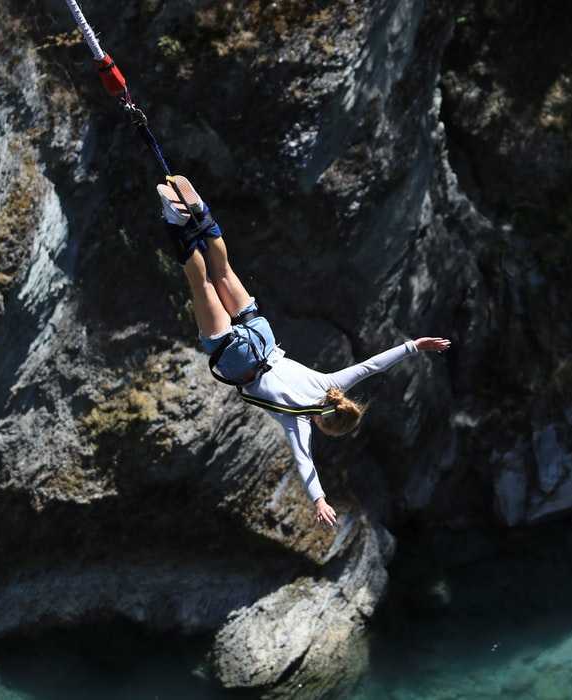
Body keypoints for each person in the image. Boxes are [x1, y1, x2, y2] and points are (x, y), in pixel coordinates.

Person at [157, 176, 451, 528]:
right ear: (325, 424)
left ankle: (201, 216)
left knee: (222, 271)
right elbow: (304, 463)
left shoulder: (330, 383)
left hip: (262, 336)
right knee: (201, 282)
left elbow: (372, 366)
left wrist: (414, 346)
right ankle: (177, 223)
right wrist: (320, 500)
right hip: (237, 356)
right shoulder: (299, 421)